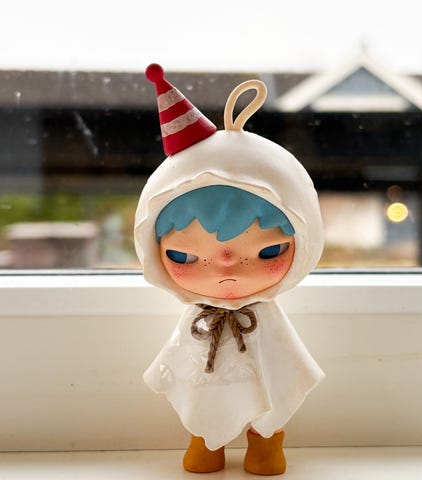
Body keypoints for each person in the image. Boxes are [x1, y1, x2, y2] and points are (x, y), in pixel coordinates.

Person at [134, 64, 325, 475]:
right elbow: (180, 361)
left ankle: (265, 443)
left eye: (268, 251)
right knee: (201, 397)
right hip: (207, 369)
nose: (225, 267)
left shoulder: (265, 316)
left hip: (260, 371)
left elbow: (284, 363)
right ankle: (205, 441)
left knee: (270, 397)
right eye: (183, 257)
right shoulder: (197, 316)